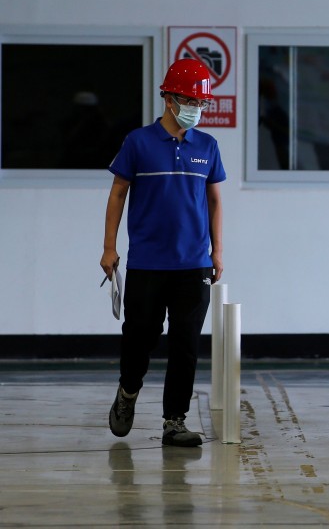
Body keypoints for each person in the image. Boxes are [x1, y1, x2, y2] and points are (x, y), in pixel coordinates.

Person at [100, 58, 226, 447]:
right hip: (147, 263)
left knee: (186, 341)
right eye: (190, 100)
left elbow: (215, 199)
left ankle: (175, 420)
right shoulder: (138, 143)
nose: (196, 109)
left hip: (194, 264)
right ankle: (128, 392)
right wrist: (109, 247)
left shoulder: (208, 146)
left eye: (201, 103)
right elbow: (118, 192)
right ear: (169, 99)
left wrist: (217, 252)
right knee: (140, 335)